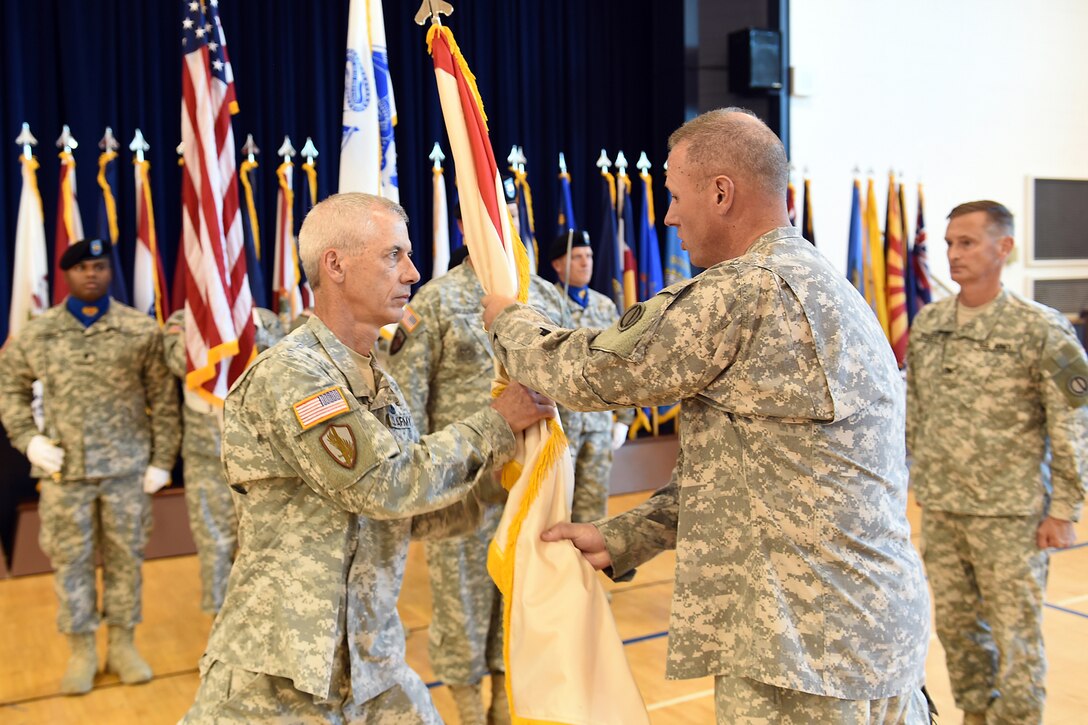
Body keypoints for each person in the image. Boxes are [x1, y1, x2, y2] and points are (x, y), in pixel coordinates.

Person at [481, 108, 932, 723]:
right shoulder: (828, 283)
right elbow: (755, 474)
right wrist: (624, 537)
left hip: (799, 654)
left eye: (673, 195)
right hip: (872, 635)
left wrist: (508, 319)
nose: (667, 216)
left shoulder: (747, 291)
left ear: (721, 192)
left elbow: (588, 374)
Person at [182, 193, 555, 724]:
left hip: (371, 664)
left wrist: (503, 485)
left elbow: (407, 513)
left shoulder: (378, 384)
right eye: (393, 255)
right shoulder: (295, 374)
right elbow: (384, 485)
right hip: (281, 674)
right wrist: (496, 423)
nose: (413, 272)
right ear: (335, 264)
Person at [906, 200, 1088, 725]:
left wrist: (1065, 509)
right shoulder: (932, 323)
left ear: (1003, 247)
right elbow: (916, 410)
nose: (953, 254)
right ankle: (975, 716)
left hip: (1012, 515)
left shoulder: (1042, 330)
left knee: (1017, 638)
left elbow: (1072, 423)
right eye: (948, 244)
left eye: (966, 242)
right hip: (943, 509)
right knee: (959, 633)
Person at [384, 241, 567, 725]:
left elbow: (570, 393)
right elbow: (406, 402)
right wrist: (420, 491)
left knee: (520, 600)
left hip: (529, 485)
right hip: (460, 485)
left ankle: (506, 704)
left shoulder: (545, 298)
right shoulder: (435, 302)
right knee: (459, 604)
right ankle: (467, 709)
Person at [0, 238, 180, 695]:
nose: (92, 275)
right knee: (70, 563)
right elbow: (11, 391)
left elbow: (163, 400)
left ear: (108, 273)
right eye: (82, 268)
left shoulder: (140, 331)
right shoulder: (39, 333)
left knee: (126, 561)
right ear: (67, 275)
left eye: (99, 267)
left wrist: (162, 461)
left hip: (126, 471)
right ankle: (81, 651)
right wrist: (29, 440)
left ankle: (123, 646)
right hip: (65, 474)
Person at [162, 306, 285, 614]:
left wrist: (248, 327)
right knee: (213, 543)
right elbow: (180, 362)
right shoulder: (182, 321)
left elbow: (278, 364)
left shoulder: (265, 320)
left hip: (260, 457)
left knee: (263, 544)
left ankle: (259, 620)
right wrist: (209, 325)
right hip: (206, 455)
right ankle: (218, 622)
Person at [549, 230, 635, 523]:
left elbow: (620, 362)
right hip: (561, 423)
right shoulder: (547, 305)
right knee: (557, 507)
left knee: (593, 506)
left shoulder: (605, 306)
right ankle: (558, 568)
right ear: (558, 265)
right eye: (577, 257)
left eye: (589, 256)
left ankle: (586, 568)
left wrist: (623, 419)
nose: (586, 263)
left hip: (598, 422)